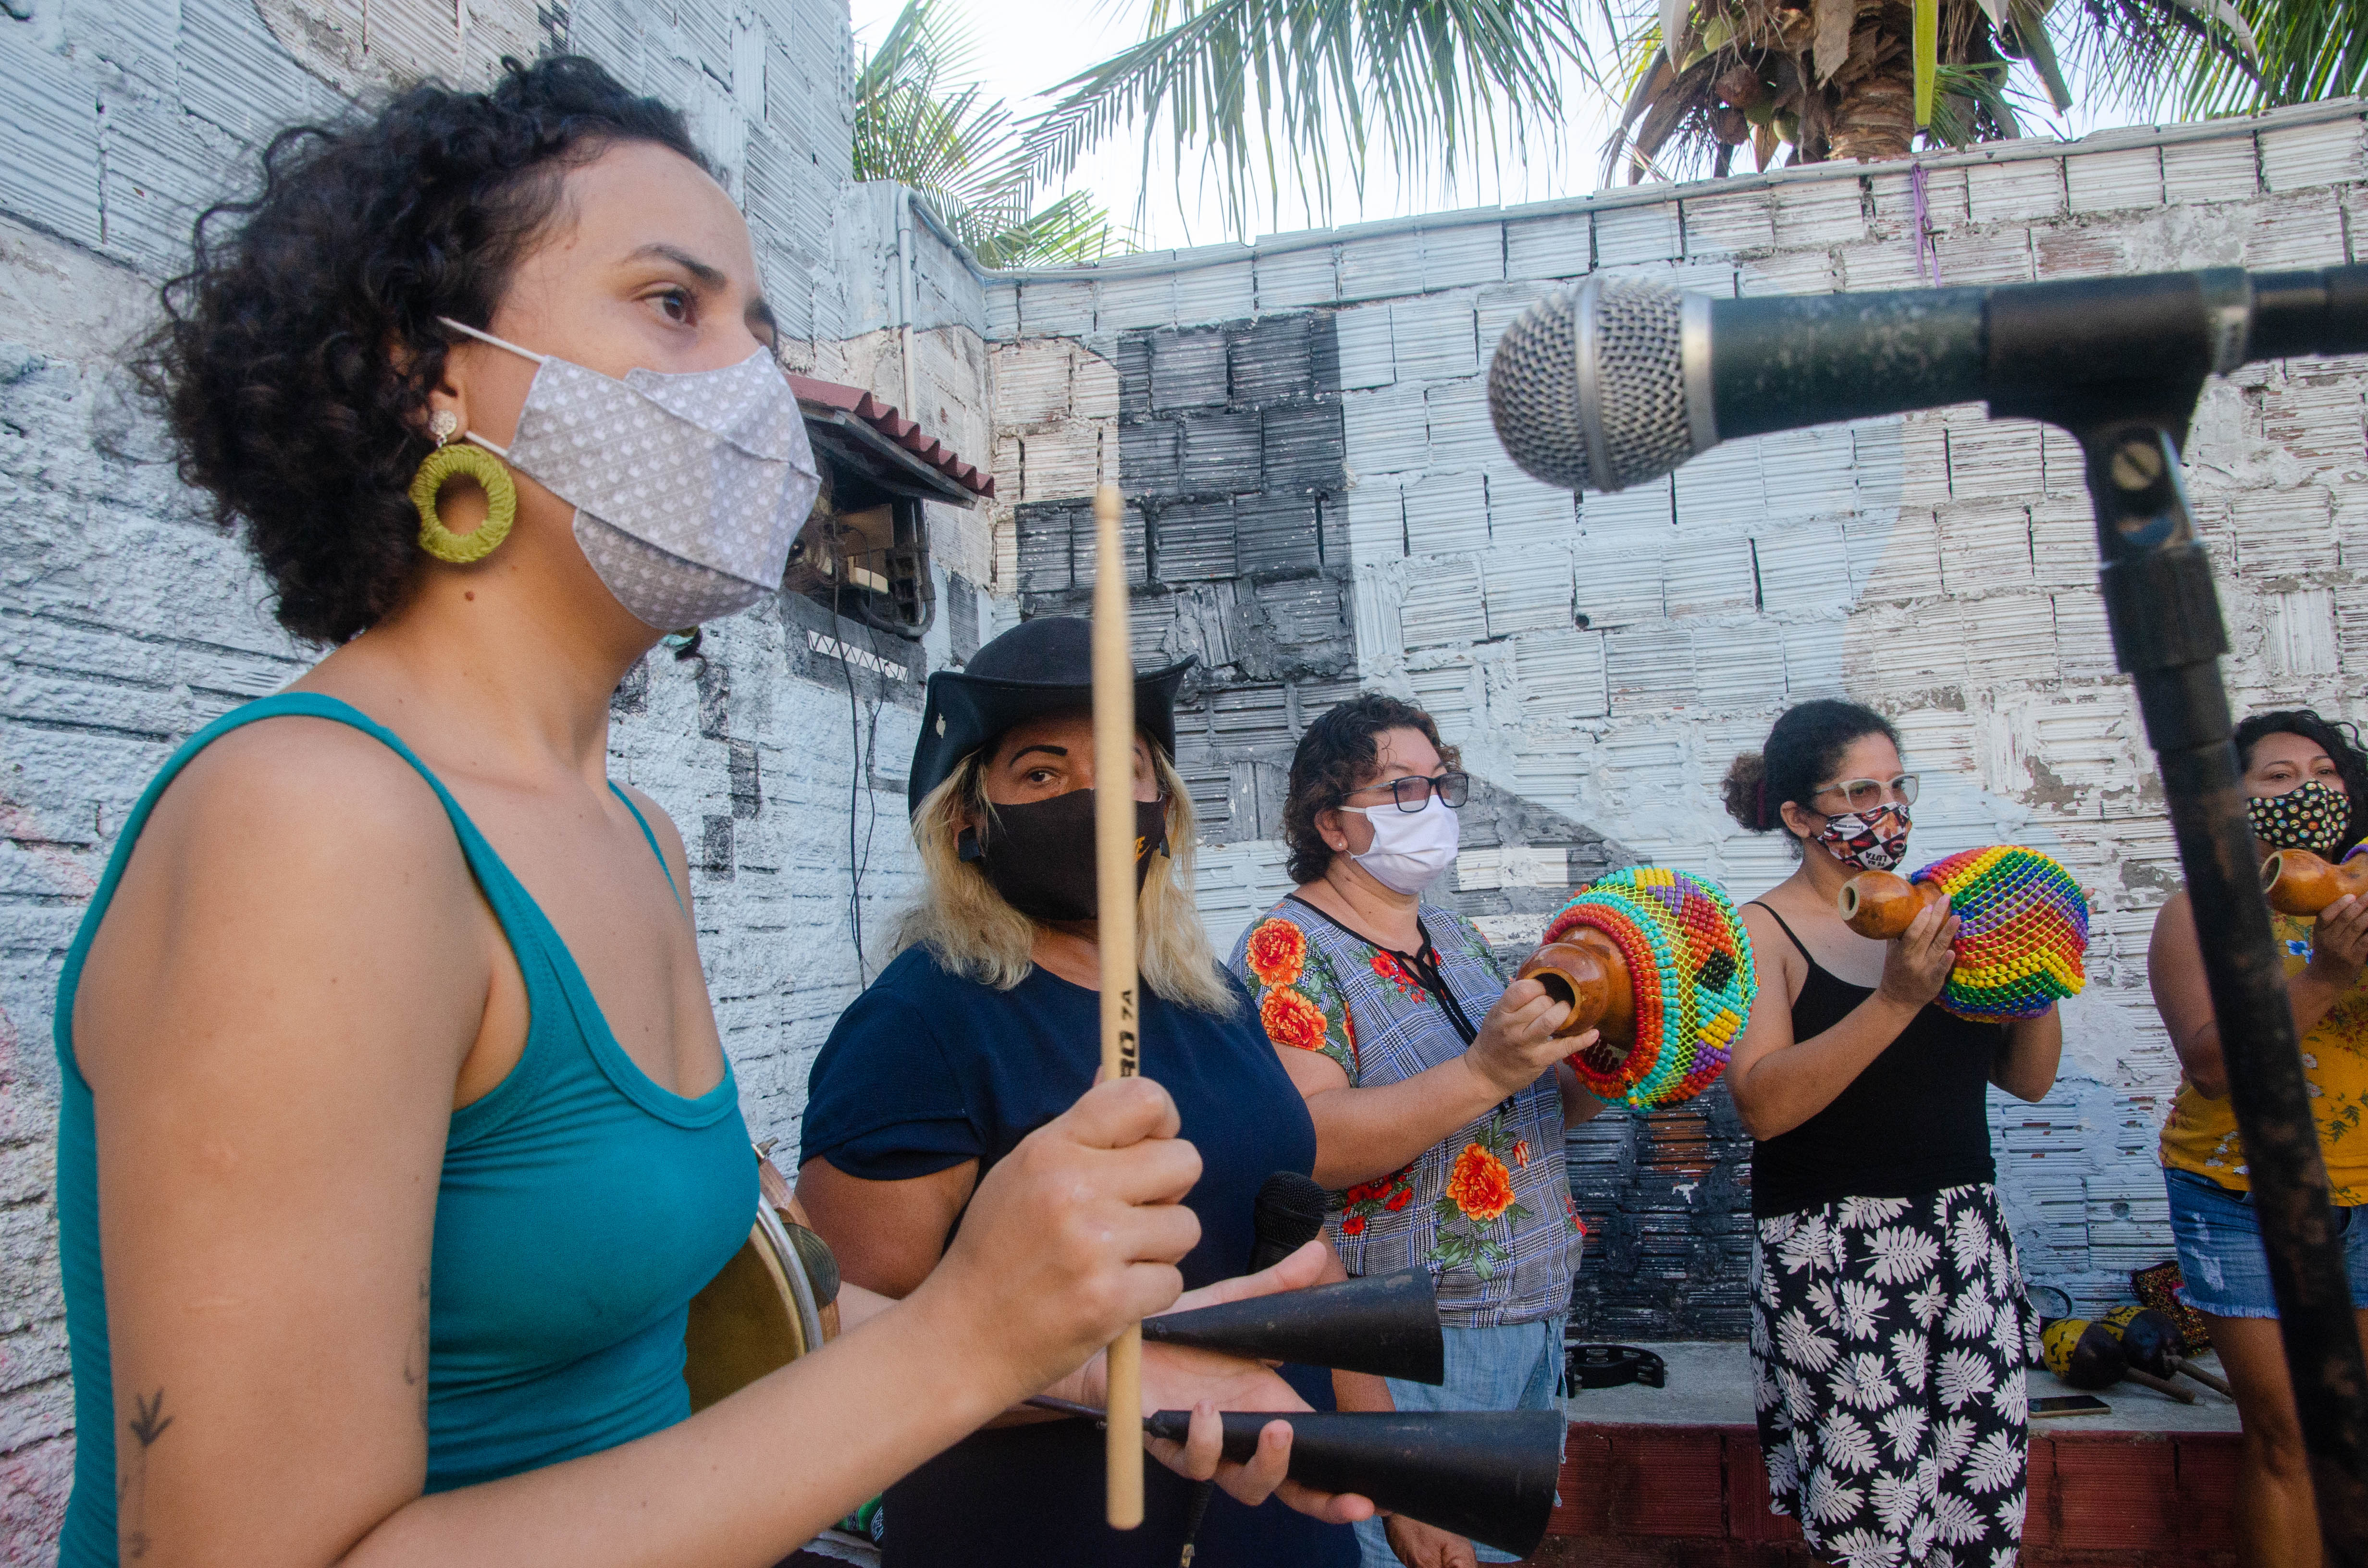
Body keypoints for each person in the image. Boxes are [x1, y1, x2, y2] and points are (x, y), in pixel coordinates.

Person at [58, 58, 1360, 1568]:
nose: (751, 389)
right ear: (434, 376)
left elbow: (723, 1322)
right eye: (673, 304)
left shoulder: (632, 839)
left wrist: (1073, 1353)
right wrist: (964, 1339)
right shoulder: (319, 827)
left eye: (762, 334)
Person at [798, 617, 1435, 1566]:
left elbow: (1298, 1243)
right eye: (1041, 773)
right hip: (1047, 1534)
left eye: (1123, 769)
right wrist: (1133, 1375)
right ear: (968, 820)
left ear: (1162, 809)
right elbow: (847, 1352)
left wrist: (1396, 1462)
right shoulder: (920, 1027)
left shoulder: (1211, 999)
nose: (1091, 798)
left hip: (1280, 1512)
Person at [1228, 693, 1602, 1568]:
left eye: (1439, 784)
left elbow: (1526, 1112)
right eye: (1401, 788)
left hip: (1529, 1319)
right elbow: (1308, 1147)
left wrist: (1610, 1061)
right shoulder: (1288, 949)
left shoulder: (1455, 937)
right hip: (1411, 1348)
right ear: (1332, 823)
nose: (1430, 807)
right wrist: (1487, 1070)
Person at [1722, 698, 2061, 1567]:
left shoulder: (1940, 912)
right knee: (1869, 1535)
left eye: (1898, 787)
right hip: (1837, 1256)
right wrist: (1898, 999)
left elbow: (2027, 1080)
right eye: (1861, 792)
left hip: (1965, 1240)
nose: (1889, 811)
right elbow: (1763, 1105)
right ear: (1800, 816)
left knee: (1979, 1524)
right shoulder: (1761, 932)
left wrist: (2039, 961)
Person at [2152, 707, 2368, 1568]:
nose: (2308, 790)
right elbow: (2212, 1066)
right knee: (2286, 1436)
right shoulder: (2199, 913)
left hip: (2365, 1195)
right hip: (2238, 1198)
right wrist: (2326, 975)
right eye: (2278, 777)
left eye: (2324, 772)